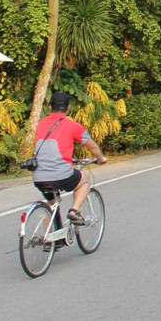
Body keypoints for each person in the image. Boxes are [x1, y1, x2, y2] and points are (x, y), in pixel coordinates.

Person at [32, 90, 107, 225]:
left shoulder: (40, 125)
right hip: (61, 174)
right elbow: (92, 146)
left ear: (50, 108)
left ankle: (49, 242)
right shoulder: (72, 126)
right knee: (84, 180)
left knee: (51, 204)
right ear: (68, 108)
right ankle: (74, 211)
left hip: (39, 176)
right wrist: (100, 158)